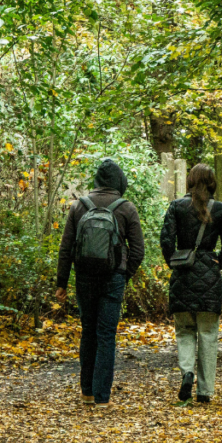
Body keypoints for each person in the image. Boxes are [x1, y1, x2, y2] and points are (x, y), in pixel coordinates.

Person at [55, 158, 145, 408]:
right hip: (113, 278)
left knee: (88, 332)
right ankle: (102, 397)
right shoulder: (126, 208)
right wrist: (123, 275)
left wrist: (62, 282)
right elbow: (138, 251)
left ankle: (87, 393)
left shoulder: (79, 206)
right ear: (119, 181)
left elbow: (66, 248)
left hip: (84, 278)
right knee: (106, 334)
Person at [159, 163, 222, 405]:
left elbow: (165, 240)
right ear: (212, 183)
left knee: (184, 331)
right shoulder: (221, 210)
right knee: (208, 334)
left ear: (189, 182)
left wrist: (174, 262)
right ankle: (204, 391)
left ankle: (187, 372)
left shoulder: (177, 207)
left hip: (182, 274)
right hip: (209, 278)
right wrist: (216, 263)